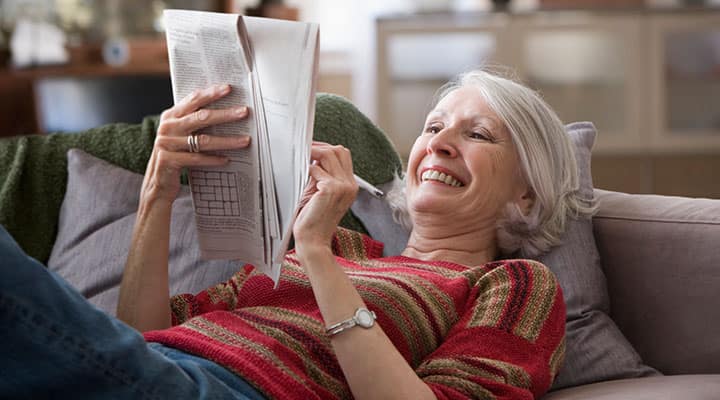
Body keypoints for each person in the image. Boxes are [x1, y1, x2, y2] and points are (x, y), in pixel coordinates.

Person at [0, 69, 593, 399]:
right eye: (434, 126)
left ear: (526, 193)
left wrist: (313, 251)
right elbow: (142, 335)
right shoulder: (347, 247)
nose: (437, 142)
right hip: (155, 365)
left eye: (478, 135)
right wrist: (159, 186)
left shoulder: (515, 284)